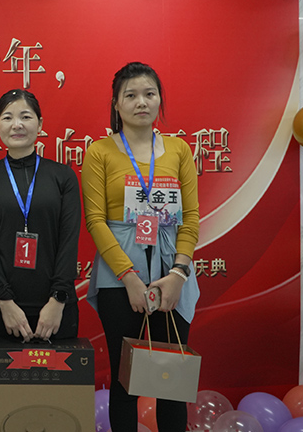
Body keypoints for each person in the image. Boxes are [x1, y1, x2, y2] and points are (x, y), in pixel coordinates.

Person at [82, 62, 200, 432]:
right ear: (116, 104)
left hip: (171, 271)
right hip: (120, 276)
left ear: (160, 99)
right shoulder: (99, 152)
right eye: (130, 95)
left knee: (172, 381)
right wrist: (129, 278)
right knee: (125, 381)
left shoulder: (179, 150)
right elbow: (95, 220)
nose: (141, 102)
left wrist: (178, 274)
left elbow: (191, 217)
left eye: (149, 94)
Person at [0, 89, 81, 343]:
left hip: (55, 310)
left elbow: (69, 241)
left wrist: (58, 299)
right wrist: (4, 301)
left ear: (40, 124)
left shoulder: (63, 176)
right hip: (1, 310)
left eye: (25, 116)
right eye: (8, 117)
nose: (17, 125)